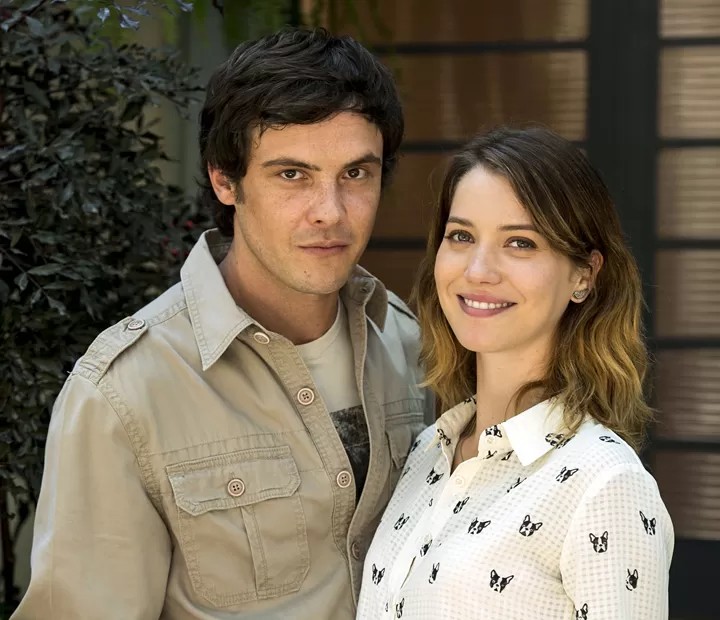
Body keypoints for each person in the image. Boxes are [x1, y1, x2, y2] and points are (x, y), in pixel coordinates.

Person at [14, 27, 432, 620]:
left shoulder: (412, 347)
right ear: (224, 180)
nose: (330, 211)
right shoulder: (123, 395)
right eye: (292, 175)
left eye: (355, 174)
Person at [357, 126, 673, 619]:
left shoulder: (605, 484)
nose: (478, 270)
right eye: (461, 236)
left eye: (520, 243)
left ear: (584, 275)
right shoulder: (426, 452)